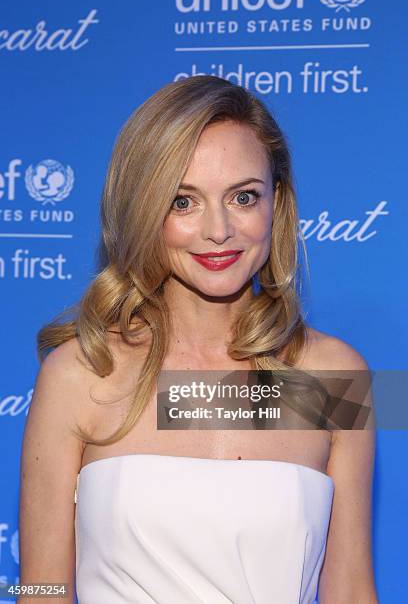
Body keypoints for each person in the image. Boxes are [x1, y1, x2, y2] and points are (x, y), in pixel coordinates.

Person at [18, 75, 378, 603]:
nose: (218, 229)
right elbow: (41, 591)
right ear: (143, 210)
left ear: (276, 203)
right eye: (183, 201)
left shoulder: (336, 376)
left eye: (243, 197)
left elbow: (350, 589)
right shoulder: (81, 373)